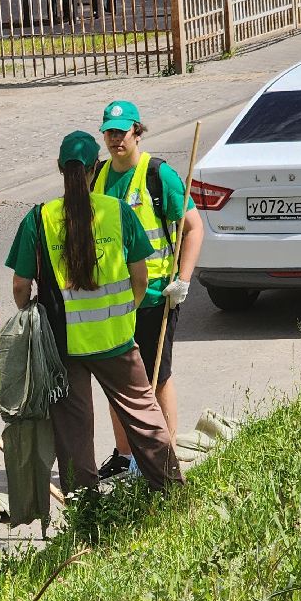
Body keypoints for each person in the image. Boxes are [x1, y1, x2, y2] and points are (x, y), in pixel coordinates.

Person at [6, 130, 183, 493]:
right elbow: (140, 275)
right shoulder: (116, 212)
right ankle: (171, 492)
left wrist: (29, 311)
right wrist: (126, 310)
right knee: (144, 418)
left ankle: (86, 512)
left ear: (60, 168)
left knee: (73, 433)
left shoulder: (38, 218)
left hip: (63, 346)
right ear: (95, 168)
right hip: (116, 340)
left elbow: (20, 287)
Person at [93, 101, 205, 478]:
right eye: (109, 132)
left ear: (136, 132)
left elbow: (193, 227)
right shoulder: (99, 176)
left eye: (121, 133)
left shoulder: (158, 175)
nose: (114, 139)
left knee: (157, 378)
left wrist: (184, 280)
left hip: (158, 294)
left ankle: (165, 451)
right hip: (116, 298)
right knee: (118, 380)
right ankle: (125, 457)